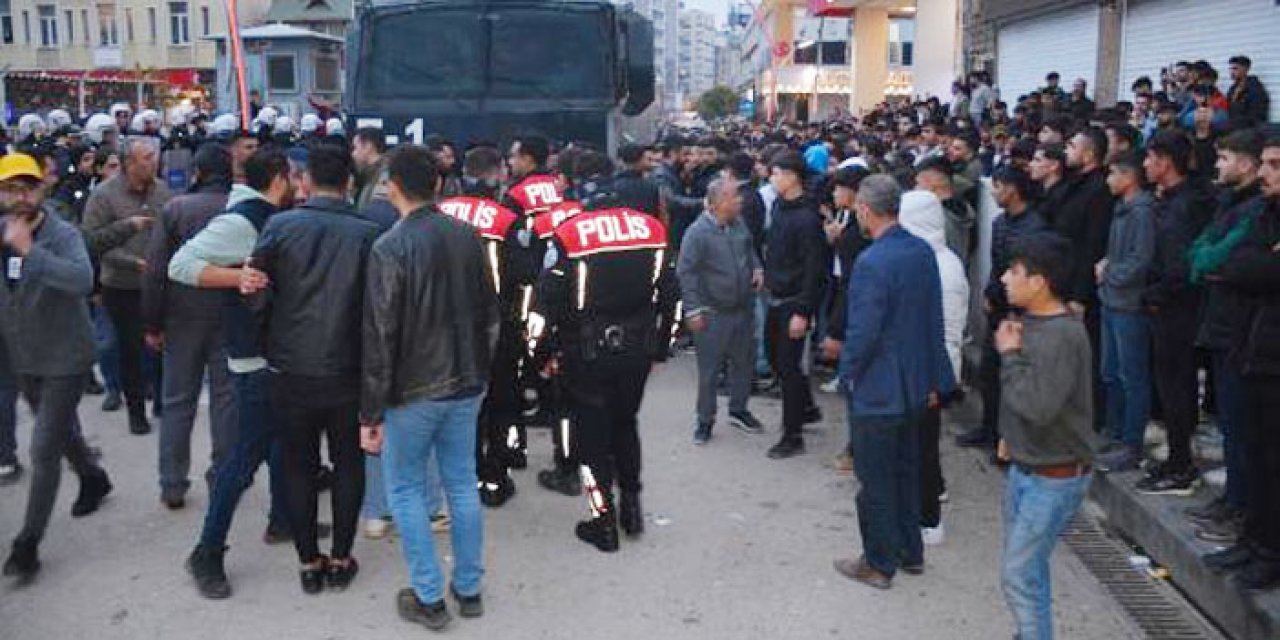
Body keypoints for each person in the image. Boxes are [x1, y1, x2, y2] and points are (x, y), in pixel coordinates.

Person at [360, 145, 498, 630]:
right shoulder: (467, 236)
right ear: (438, 184)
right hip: (466, 381)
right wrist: (481, 372)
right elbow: (491, 314)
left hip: (413, 390)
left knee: (405, 490)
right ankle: (468, 587)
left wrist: (369, 413)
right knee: (461, 483)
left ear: (390, 186)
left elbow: (380, 336)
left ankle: (428, 595)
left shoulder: (390, 247)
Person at [240, 145, 381, 594]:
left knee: (298, 465)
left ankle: (307, 561)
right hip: (347, 369)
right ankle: (341, 556)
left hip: (289, 367)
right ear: (349, 184)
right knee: (348, 464)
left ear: (305, 181)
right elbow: (379, 308)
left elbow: (255, 292)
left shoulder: (279, 227)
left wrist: (271, 341)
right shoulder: (367, 232)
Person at [169, 148, 298, 599]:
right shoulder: (242, 219)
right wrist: (238, 277)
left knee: (282, 445)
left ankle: (283, 520)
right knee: (241, 461)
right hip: (253, 358)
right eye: (293, 177)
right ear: (280, 178)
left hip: (271, 354)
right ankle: (206, 551)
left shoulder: (264, 214)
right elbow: (180, 264)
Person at [527, 176, 678, 552]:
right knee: (626, 425)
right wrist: (662, 348)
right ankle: (632, 509)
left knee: (592, 437)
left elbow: (545, 302)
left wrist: (539, 355)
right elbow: (672, 296)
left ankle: (603, 521)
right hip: (638, 348)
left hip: (586, 351)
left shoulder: (571, 233)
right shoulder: (652, 231)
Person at [831, 175, 955, 590]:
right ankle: (909, 550)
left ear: (866, 210)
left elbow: (862, 332)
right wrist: (938, 377)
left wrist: (846, 372)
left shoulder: (872, 262)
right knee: (906, 470)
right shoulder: (921, 252)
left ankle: (878, 562)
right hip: (915, 384)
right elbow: (932, 320)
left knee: (875, 479)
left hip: (879, 388)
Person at [0, 153, 113, 580]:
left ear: (41, 189)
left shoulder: (61, 234)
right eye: (10, 188)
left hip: (65, 356)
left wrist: (30, 252)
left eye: (27, 187)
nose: (19, 196)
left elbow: (81, 281)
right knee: (60, 431)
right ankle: (92, 475)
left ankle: (27, 543)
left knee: (43, 448)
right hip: (22, 354)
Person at [994, 233, 1100, 640]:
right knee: (1029, 569)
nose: (1004, 278)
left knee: (1018, 573)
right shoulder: (1030, 321)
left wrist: (1009, 355)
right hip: (1028, 468)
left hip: (1053, 477)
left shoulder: (1060, 335)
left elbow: (1038, 406)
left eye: (1014, 272)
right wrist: (1009, 436)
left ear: (1039, 282)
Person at [1203, 134, 1280, 592]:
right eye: (1266, 163)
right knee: (1254, 454)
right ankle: (1253, 541)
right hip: (1253, 350)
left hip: (1274, 359)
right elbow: (1237, 266)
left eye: (1275, 164)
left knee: (1274, 463)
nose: (1266, 173)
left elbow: (1255, 271)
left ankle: (1270, 552)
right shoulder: (1265, 215)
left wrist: (1260, 269)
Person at [142, 144, 238, 510]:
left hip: (181, 318)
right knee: (226, 400)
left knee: (177, 400)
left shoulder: (175, 209)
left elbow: (155, 271)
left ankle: (172, 483)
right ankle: (223, 475)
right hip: (231, 314)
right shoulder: (239, 208)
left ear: (196, 173)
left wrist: (152, 321)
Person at [1184, 129, 1266, 543]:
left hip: (1242, 330)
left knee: (1246, 431)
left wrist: (1212, 264)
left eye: (1225, 157)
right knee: (1233, 426)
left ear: (1247, 163)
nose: (1217, 164)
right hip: (1220, 325)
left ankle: (1244, 510)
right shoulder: (1231, 203)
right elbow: (1198, 253)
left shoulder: (1255, 210)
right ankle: (1234, 500)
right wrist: (1209, 263)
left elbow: (1225, 260)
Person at [437, 146, 524, 508]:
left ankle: (465, 475)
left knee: (461, 403)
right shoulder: (506, 217)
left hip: (446, 324)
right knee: (501, 400)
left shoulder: (439, 213)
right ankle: (494, 475)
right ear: (495, 173)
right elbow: (523, 274)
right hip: (497, 322)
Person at [1127, 131, 1214, 489]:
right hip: (1168, 307)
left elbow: (1180, 268)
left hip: (1177, 312)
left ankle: (1181, 466)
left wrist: (1154, 294)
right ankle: (1177, 459)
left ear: (1165, 162)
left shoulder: (1183, 206)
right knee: (1170, 389)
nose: (1145, 166)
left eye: (1149, 159)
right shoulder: (1172, 201)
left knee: (1176, 390)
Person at [82, 137, 171, 435]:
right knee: (131, 349)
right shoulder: (104, 196)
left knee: (161, 346)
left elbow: (173, 230)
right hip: (121, 285)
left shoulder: (162, 191)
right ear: (129, 163)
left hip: (158, 284)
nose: (153, 161)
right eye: (146, 157)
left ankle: (161, 401)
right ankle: (136, 411)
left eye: (154, 156)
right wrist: (133, 260)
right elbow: (92, 241)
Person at [898, 189, 968, 547]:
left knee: (922, 445)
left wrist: (936, 379)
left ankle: (928, 519)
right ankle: (929, 496)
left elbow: (946, 331)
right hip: (925, 368)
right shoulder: (931, 259)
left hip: (930, 371)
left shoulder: (940, 267)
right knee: (921, 443)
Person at [958, 167, 1046, 450]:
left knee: (1014, 375)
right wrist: (991, 293)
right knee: (989, 372)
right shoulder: (1001, 223)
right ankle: (989, 428)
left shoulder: (1034, 227)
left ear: (1011, 189)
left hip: (1019, 311)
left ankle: (1010, 438)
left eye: (997, 187)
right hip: (997, 305)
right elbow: (998, 267)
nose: (994, 193)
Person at [678, 177, 765, 445]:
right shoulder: (697, 233)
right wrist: (692, 310)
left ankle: (738, 409)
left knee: (744, 363)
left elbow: (750, 251)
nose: (740, 200)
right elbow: (686, 272)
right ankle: (705, 420)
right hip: (712, 313)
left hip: (742, 309)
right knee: (709, 371)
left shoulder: (739, 225)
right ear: (717, 203)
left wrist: (757, 267)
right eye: (733, 197)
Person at [761, 152, 828, 460]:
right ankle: (807, 407)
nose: (771, 178)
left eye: (775, 173)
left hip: (793, 302)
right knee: (775, 359)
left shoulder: (807, 217)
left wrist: (804, 311)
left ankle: (792, 434)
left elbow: (815, 269)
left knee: (788, 367)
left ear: (791, 176)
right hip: (774, 295)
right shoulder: (779, 207)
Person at [1096, 152, 1156, 473]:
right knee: (1111, 372)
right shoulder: (1122, 209)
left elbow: (1140, 259)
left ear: (1129, 177)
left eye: (1113, 174)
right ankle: (1115, 433)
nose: (1108, 180)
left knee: (1132, 376)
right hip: (1110, 299)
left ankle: (1131, 443)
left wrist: (1111, 273)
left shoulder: (1142, 212)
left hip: (1129, 303)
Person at [352, 127, 398, 232]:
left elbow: (381, 215)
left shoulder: (385, 175)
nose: (353, 154)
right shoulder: (372, 174)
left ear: (368, 146)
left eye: (355, 147)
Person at [1226, 56, 1270, 131]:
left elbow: (1257, 116)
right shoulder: (1233, 89)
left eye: (1235, 69)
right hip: (1233, 127)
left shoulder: (1256, 89)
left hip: (1250, 130)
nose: (1232, 72)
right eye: (1230, 69)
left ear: (1245, 69)